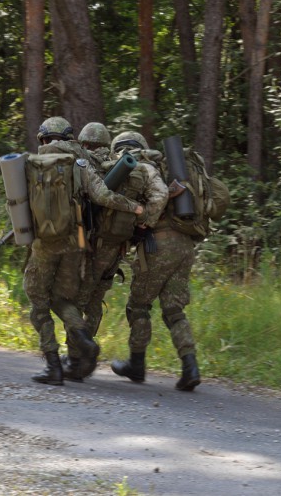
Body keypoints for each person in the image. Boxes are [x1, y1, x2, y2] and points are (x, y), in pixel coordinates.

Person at [26, 116, 144, 386]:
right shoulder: (81, 162)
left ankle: (53, 365)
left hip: (44, 243)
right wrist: (134, 208)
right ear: (69, 138)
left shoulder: (34, 161)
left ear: (44, 139)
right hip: (76, 242)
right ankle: (83, 339)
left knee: (38, 302)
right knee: (64, 297)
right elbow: (102, 196)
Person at [62, 130, 171, 382]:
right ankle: (81, 354)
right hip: (119, 245)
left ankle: (77, 358)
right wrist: (145, 221)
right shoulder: (144, 167)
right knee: (97, 296)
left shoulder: (96, 162)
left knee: (80, 298)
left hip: (93, 244)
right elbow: (161, 195)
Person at [110, 136, 202, 392]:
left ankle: (137, 365)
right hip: (184, 244)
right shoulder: (164, 165)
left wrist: (144, 224)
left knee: (138, 306)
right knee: (174, 310)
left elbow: (158, 196)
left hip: (156, 245)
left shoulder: (138, 168)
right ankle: (190, 367)